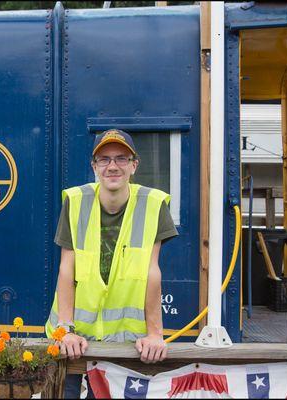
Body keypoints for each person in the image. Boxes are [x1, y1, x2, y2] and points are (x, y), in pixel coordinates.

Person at [45, 129, 178, 398]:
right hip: (74, 338)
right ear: (94, 166)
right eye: (104, 160)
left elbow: (152, 271)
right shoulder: (75, 201)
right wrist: (65, 329)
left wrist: (155, 334)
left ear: (134, 165)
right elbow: (66, 269)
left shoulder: (154, 204)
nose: (113, 166)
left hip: (123, 343)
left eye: (121, 158)